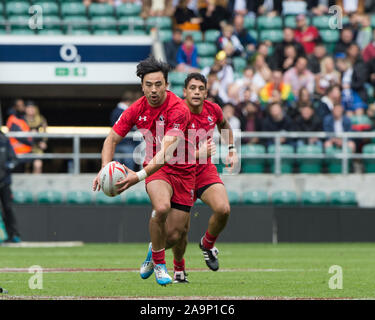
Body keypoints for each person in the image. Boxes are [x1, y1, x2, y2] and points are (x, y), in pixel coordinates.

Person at [92, 56, 195, 286]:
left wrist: (136, 177)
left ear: (166, 85)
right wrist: (104, 169)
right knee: (161, 207)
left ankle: (153, 249)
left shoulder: (179, 109)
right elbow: (111, 140)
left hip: (184, 171)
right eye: (149, 85)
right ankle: (160, 265)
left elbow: (167, 151)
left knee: (176, 234)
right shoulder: (136, 109)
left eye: (158, 84)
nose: (154, 90)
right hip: (156, 170)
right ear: (142, 86)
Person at [172, 72, 238, 277]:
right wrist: (196, 153)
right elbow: (168, 152)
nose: (197, 92)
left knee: (223, 208)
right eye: (192, 88)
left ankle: (207, 244)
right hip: (180, 173)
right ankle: (179, 268)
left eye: (201, 89)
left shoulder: (213, 110)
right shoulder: (176, 112)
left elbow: (225, 126)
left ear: (206, 92)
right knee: (179, 232)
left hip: (204, 171)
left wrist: (232, 149)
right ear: (185, 91)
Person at [0, 128, 20, 243]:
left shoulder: (4, 141)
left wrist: (7, 167)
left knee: (8, 208)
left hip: (4, 182)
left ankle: (14, 235)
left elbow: (14, 159)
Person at [109, 95, 139, 171]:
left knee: (117, 169)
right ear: (128, 101)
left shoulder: (114, 111)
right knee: (128, 169)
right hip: (127, 143)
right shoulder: (125, 112)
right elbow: (132, 126)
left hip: (117, 143)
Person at [6, 99, 33, 173]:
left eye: (22, 105)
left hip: (24, 152)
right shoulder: (13, 119)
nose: (22, 107)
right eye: (19, 105)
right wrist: (31, 142)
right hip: (17, 153)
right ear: (15, 107)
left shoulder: (21, 119)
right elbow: (19, 136)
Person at [24, 101, 48, 174]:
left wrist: (44, 142)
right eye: (29, 108)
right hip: (25, 145)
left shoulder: (40, 119)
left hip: (37, 145)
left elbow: (45, 132)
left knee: (38, 164)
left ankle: (36, 182)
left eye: (32, 108)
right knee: (26, 166)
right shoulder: (22, 119)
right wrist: (28, 133)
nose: (31, 110)